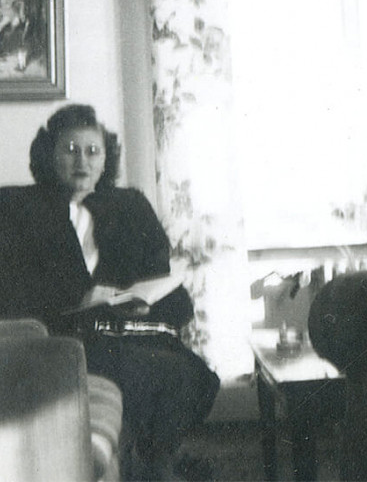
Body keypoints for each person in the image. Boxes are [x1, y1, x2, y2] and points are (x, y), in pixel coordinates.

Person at [0, 104, 220, 481]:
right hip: (65, 342)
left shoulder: (130, 207)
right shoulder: (18, 209)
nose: (81, 161)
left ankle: (154, 461)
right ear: (48, 155)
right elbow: (12, 292)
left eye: (92, 151)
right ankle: (156, 467)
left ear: (106, 159)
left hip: (129, 333)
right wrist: (77, 303)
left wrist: (137, 303)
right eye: (69, 150)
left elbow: (166, 288)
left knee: (191, 374)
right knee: (145, 373)